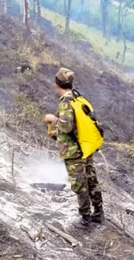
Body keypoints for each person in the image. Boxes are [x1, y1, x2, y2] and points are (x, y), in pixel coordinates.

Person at [44, 67, 104, 229]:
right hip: (85, 147)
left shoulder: (65, 103)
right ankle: (98, 213)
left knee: (79, 184)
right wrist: (56, 133)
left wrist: (52, 119)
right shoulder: (77, 98)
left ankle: (85, 219)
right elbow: (74, 127)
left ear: (57, 83)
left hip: (73, 152)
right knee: (91, 179)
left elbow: (67, 126)